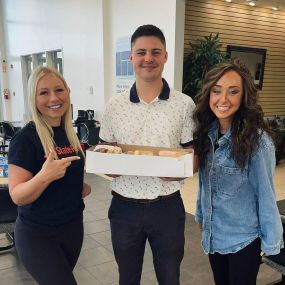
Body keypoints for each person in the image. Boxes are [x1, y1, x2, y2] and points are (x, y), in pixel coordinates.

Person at [99, 24, 195, 285]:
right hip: (123, 207)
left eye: (155, 52)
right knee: (127, 278)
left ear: (165, 56)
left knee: (169, 278)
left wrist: (179, 169)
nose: (148, 58)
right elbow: (105, 150)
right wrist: (110, 166)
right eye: (141, 52)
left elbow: (193, 155)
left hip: (167, 207)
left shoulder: (184, 104)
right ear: (130, 57)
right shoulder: (114, 105)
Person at [193, 58, 283, 285]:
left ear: (243, 97)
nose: (223, 99)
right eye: (217, 91)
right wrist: (201, 214)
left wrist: (272, 243)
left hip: (244, 239)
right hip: (214, 235)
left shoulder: (258, 142)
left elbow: (266, 195)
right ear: (209, 95)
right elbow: (205, 182)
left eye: (233, 92)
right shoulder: (208, 132)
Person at [8, 66, 91, 285]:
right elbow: (17, 195)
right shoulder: (25, 140)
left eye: (59, 90)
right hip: (38, 234)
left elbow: (67, 175)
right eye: (43, 92)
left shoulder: (69, 133)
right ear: (33, 98)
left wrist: (79, 187)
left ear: (68, 92)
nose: (53, 98)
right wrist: (44, 176)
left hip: (72, 227)